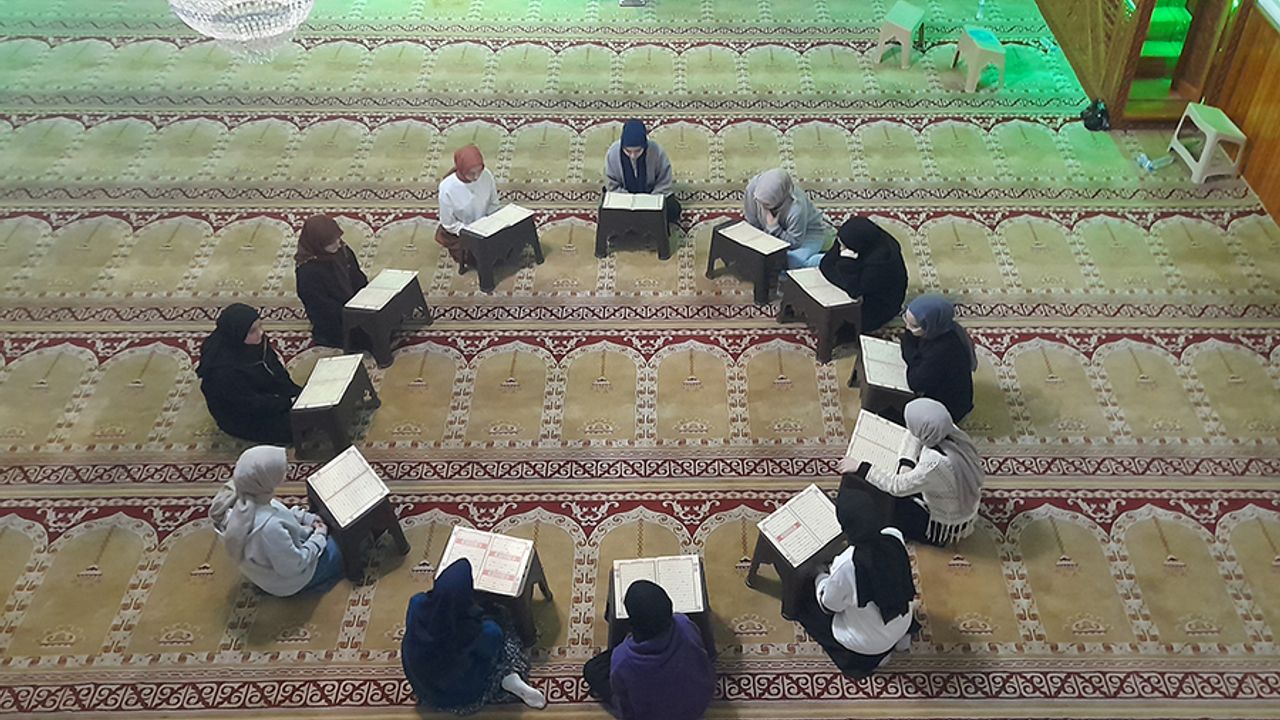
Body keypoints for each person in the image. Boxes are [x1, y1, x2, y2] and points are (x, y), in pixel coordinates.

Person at [795, 486, 918, 679]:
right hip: (902, 620)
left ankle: (875, 657)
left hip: (870, 642)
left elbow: (829, 605)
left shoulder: (848, 564)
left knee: (805, 609)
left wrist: (820, 576)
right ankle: (899, 638)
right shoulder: (893, 536)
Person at [402, 558, 547, 714]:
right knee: (507, 636)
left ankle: (508, 680)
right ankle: (508, 678)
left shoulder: (417, 603)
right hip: (460, 695)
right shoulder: (475, 632)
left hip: (423, 687)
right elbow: (491, 647)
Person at [839, 397, 984, 546]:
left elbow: (897, 486)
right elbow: (914, 435)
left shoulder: (934, 464)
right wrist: (906, 462)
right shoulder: (948, 429)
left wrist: (860, 467)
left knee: (885, 506)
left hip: (944, 526)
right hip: (960, 500)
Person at [208, 445, 344, 597]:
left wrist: (307, 518)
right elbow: (294, 565)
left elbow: (278, 510)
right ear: (265, 480)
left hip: (269, 566)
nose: (288, 470)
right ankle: (312, 588)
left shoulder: (243, 494)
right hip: (292, 580)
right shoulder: (269, 528)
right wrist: (319, 536)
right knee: (344, 543)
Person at [582, 580, 716, 720]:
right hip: (697, 705)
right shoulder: (685, 624)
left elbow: (623, 700)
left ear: (631, 623)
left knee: (592, 669)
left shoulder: (622, 659)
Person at [197, 303, 301, 445]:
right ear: (237, 333)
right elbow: (249, 404)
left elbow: (274, 367)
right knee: (295, 426)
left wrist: (291, 391)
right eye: (252, 331)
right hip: (242, 416)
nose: (261, 333)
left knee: (310, 402)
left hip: (262, 393)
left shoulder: (255, 341)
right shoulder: (222, 371)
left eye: (260, 326)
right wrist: (286, 402)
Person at [819, 217, 908, 332]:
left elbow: (855, 290)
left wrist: (846, 263)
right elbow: (825, 264)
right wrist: (844, 279)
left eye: (844, 246)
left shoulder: (881, 261)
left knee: (842, 326)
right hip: (858, 281)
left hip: (879, 304)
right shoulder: (851, 240)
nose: (840, 248)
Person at [294, 214, 368, 348]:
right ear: (318, 243)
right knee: (366, 339)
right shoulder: (307, 270)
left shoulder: (342, 250)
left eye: (338, 238)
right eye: (331, 242)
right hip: (334, 321)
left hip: (354, 306)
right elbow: (321, 307)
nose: (338, 243)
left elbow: (356, 276)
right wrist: (352, 315)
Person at [900, 294, 976, 422]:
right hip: (935, 382)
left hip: (947, 409)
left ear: (930, 325)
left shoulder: (943, 350)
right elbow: (908, 338)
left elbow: (915, 382)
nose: (907, 327)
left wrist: (912, 356)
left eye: (914, 326)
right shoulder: (943, 328)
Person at [743, 168, 831, 269]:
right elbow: (752, 219)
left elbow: (795, 242)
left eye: (766, 204)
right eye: (759, 202)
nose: (762, 207)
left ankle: (828, 260)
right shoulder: (753, 189)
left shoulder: (796, 208)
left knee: (791, 262)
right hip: (771, 232)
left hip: (807, 235)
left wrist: (774, 229)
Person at [436, 144, 500, 274]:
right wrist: (471, 232)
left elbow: (493, 204)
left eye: (479, 172)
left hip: (487, 226)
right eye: (471, 173)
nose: (476, 177)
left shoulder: (486, 175)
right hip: (462, 233)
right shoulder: (447, 188)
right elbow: (448, 224)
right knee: (480, 258)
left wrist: (490, 224)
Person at [604, 119, 681, 225]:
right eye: (628, 151)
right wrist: (630, 200)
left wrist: (648, 201)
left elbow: (664, 181)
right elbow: (612, 185)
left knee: (673, 210)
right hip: (624, 198)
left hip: (652, 195)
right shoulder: (613, 154)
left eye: (637, 151)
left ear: (644, 146)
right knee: (607, 213)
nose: (633, 156)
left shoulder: (656, 151)